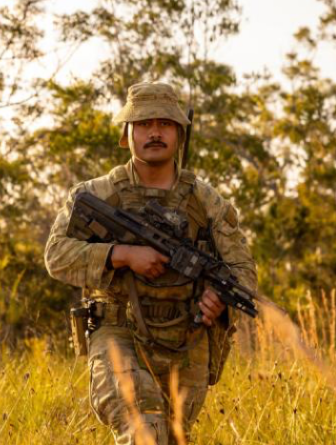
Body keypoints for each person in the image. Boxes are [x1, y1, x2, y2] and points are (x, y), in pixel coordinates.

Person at [44, 81, 257, 444]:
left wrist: (217, 299)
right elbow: (56, 255)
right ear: (126, 135)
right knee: (145, 431)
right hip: (118, 331)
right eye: (143, 123)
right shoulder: (97, 195)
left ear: (179, 133)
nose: (154, 132)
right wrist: (121, 255)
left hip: (186, 340)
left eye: (164, 123)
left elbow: (243, 274)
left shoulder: (206, 202)